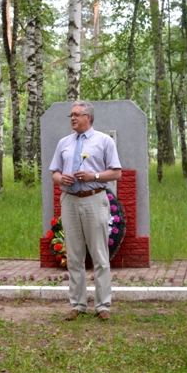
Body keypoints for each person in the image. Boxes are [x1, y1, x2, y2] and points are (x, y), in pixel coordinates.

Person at [48, 101, 121, 321]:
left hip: (94, 199)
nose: (72, 118)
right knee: (74, 256)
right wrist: (61, 178)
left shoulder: (104, 141)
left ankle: (103, 306)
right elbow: (54, 173)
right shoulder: (64, 143)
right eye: (71, 115)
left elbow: (116, 173)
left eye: (76, 115)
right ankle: (78, 305)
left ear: (88, 117)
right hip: (70, 201)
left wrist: (93, 176)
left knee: (99, 255)